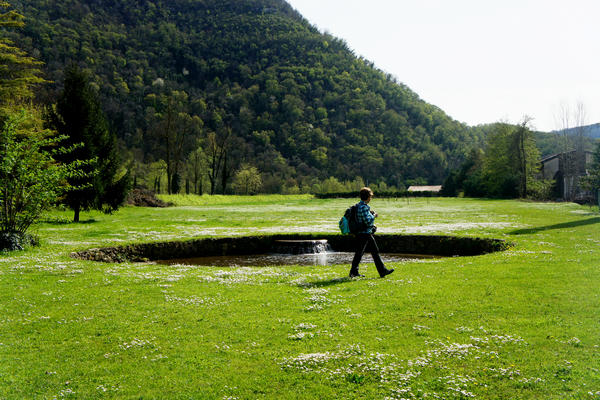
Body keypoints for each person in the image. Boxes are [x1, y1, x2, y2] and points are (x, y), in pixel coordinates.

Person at [349, 187, 395, 278]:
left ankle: (381, 271)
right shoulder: (364, 207)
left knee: (367, 252)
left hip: (362, 233)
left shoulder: (358, 205)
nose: (371, 198)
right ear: (367, 197)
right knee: (366, 253)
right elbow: (367, 221)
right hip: (365, 233)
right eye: (370, 196)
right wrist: (374, 216)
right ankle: (381, 271)